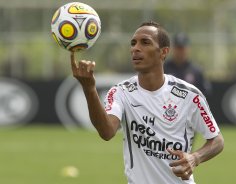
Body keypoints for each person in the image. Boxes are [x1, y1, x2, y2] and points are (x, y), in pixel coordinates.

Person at [71, 21, 224, 184]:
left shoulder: (189, 95)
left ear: (163, 52)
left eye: (145, 42)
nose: (135, 48)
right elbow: (107, 131)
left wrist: (195, 157)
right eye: (133, 43)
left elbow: (217, 140)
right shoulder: (121, 92)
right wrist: (89, 89)